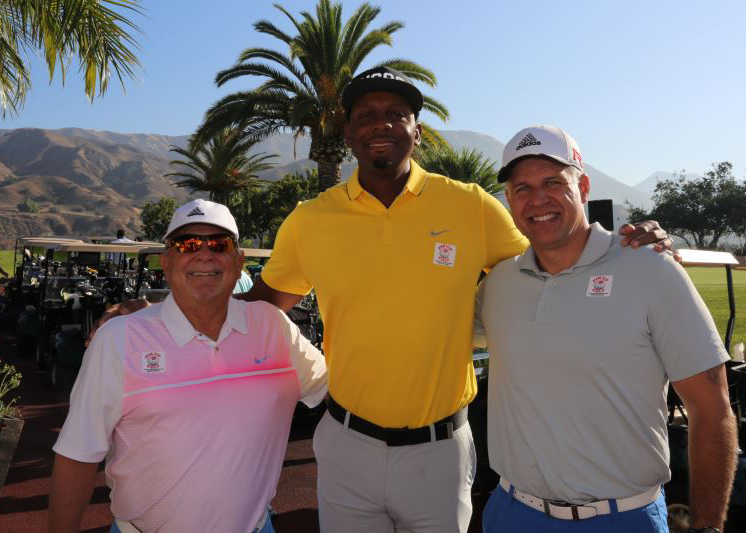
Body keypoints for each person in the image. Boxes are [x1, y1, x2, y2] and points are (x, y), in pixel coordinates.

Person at [90, 69, 671, 532]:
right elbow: (261, 304)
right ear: (348, 133)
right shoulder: (311, 219)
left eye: (397, 113)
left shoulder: (470, 205)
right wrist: (160, 311)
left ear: (417, 131)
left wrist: (629, 243)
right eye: (366, 115)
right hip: (347, 446)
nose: (381, 124)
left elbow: (554, 254)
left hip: (441, 451)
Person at [475, 125, 737, 533]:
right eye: (522, 188)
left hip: (623, 518)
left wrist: (706, 527)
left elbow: (711, 405)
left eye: (552, 182)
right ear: (509, 200)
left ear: (582, 187)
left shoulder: (650, 269)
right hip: (513, 512)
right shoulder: (499, 284)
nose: (537, 199)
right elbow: (434, 329)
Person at [48, 199, 327, 533]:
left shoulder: (274, 327)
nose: (204, 254)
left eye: (220, 244)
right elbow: (78, 454)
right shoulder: (119, 338)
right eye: (187, 244)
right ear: (166, 262)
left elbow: (340, 389)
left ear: (239, 262)